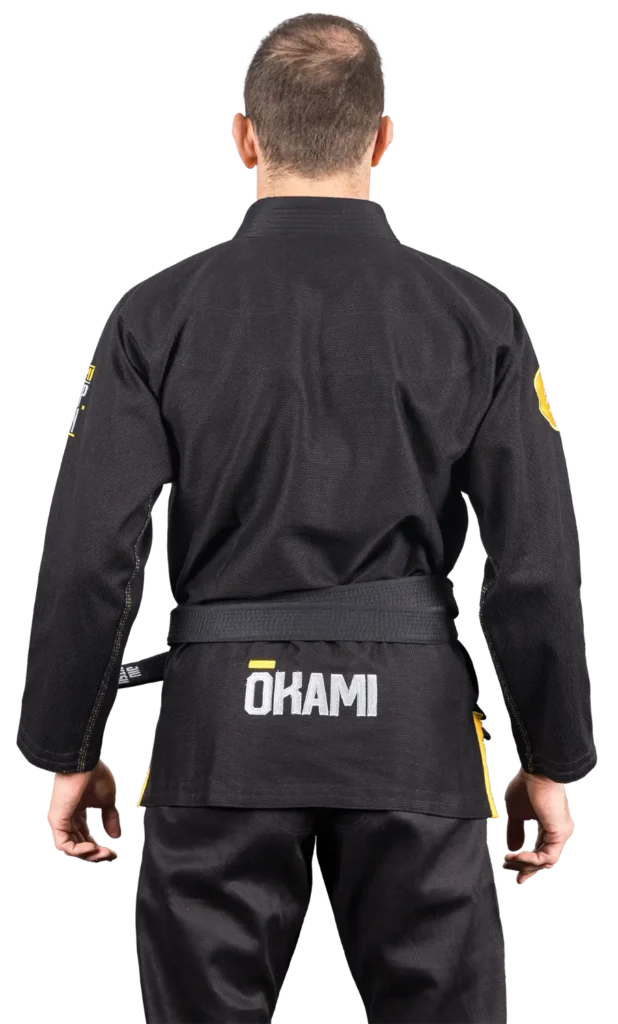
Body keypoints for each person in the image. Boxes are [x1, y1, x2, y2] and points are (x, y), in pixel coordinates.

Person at [17, 12, 594, 1024]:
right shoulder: (477, 318)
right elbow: (536, 565)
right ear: (383, 139)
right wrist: (552, 758)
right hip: (412, 736)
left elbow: (87, 559)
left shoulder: (156, 316)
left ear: (244, 137)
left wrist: (68, 747)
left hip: (218, 734)